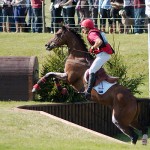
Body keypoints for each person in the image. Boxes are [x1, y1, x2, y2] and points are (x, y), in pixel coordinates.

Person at [80, 19, 114, 99]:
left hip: (104, 54)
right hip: (102, 54)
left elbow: (99, 42)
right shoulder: (94, 31)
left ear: (88, 28)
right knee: (93, 68)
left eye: (83, 28)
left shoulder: (92, 34)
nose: (82, 30)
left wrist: (93, 47)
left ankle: (88, 92)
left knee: (92, 70)